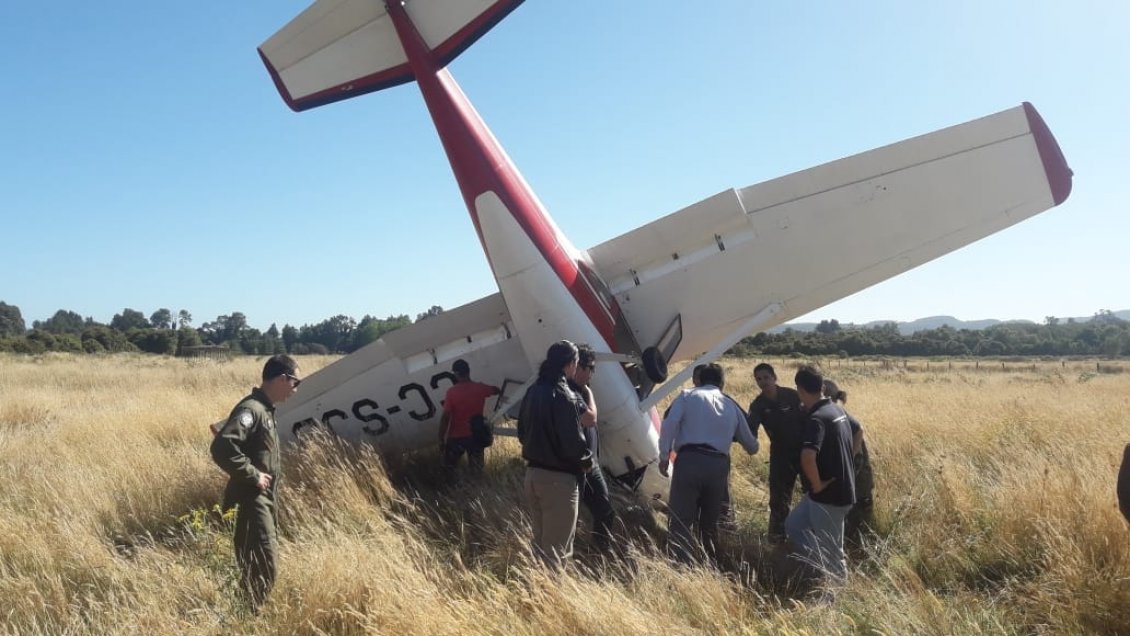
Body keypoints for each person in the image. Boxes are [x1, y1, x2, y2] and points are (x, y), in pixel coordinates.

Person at [210, 354, 301, 610]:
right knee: (263, 568)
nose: (296, 389)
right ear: (283, 378)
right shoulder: (252, 410)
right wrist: (253, 475)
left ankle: (244, 616)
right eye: (296, 382)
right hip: (251, 500)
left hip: (262, 501)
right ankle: (246, 618)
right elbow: (222, 447)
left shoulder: (266, 411)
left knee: (259, 567)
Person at [659, 363, 759, 563]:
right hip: (718, 466)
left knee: (682, 519)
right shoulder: (729, 404)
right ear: (722, 382)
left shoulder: (687, 396)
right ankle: (709, 563)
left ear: (700, 380)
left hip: (689, 461)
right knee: (710, 522)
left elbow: (669, 423)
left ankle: (682, 565)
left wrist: (664, 455)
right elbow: (752, 445)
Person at [517, 340, 593, 569]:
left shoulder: (533, 391)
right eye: (576, 363)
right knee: (557, 553)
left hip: (533, 476)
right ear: (570, 364)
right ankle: (550, 602)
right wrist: (586, 461)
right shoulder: (565, 395)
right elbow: (573, 443)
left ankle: (535, 598)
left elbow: (522, 432)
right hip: (558, 481)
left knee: (539, 546)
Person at [784, 365, 863, 582]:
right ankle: (821, 569)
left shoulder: (817, 418)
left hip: (829, 496)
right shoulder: (836, 409)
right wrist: (848, 457)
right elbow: (859, 429)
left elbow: (807, 456)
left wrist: (817, 485)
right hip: (827, 493)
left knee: (833, 552)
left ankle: (835, 598)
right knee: (794, 526)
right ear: (822, 386)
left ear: (800, 390)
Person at [747, 362, 805, 542]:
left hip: (804, 453)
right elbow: (750, 431)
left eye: (766, 377)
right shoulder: (757, 405)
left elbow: (810, 417)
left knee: (813, 494)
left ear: (774, 377)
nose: (763, 382)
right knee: (779, 500)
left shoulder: (792, 396)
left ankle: (810, 534)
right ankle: (777, 540)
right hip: (780, 455)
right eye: (758, 379)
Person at [570, 344, 618, 552]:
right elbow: (590, 418)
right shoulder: (568, 393)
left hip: (590, 465)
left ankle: (599, 552)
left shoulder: (580, 390)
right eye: (590, 367)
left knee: (605, 511)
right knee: (568, 515)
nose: (592, 373)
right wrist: (588, 392)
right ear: (578, 367)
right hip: (572, 466)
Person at [822, 379, 874, 537]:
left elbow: (855, 458)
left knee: (858, 517)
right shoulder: (831, 415)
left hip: (856, 479)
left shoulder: (839, 418)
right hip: (850, 477)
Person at [437, 358, 501, 477]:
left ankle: (454, 490)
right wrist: (488, 388)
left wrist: (441, 439)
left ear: (456, 373)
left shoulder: (452, 392)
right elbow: (496, 390)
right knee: (476, 471)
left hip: (456, 437)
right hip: (476, 435)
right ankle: (476, 491)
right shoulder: (480, 388)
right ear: (468, 371)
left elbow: (445, 417)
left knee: (449, 469)